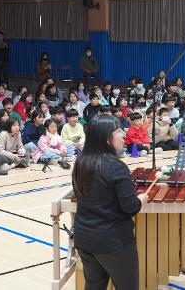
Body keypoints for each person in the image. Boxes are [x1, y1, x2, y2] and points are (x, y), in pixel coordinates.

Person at [72, 115, 148, 290]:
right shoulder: (116, 167)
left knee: (94, 286)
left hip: (84, 237)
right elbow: (130, 207)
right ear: (107, 139)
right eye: (118, 132)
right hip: (112, 241)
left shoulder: (81, 162)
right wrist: (140, 200)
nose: (123, 135)